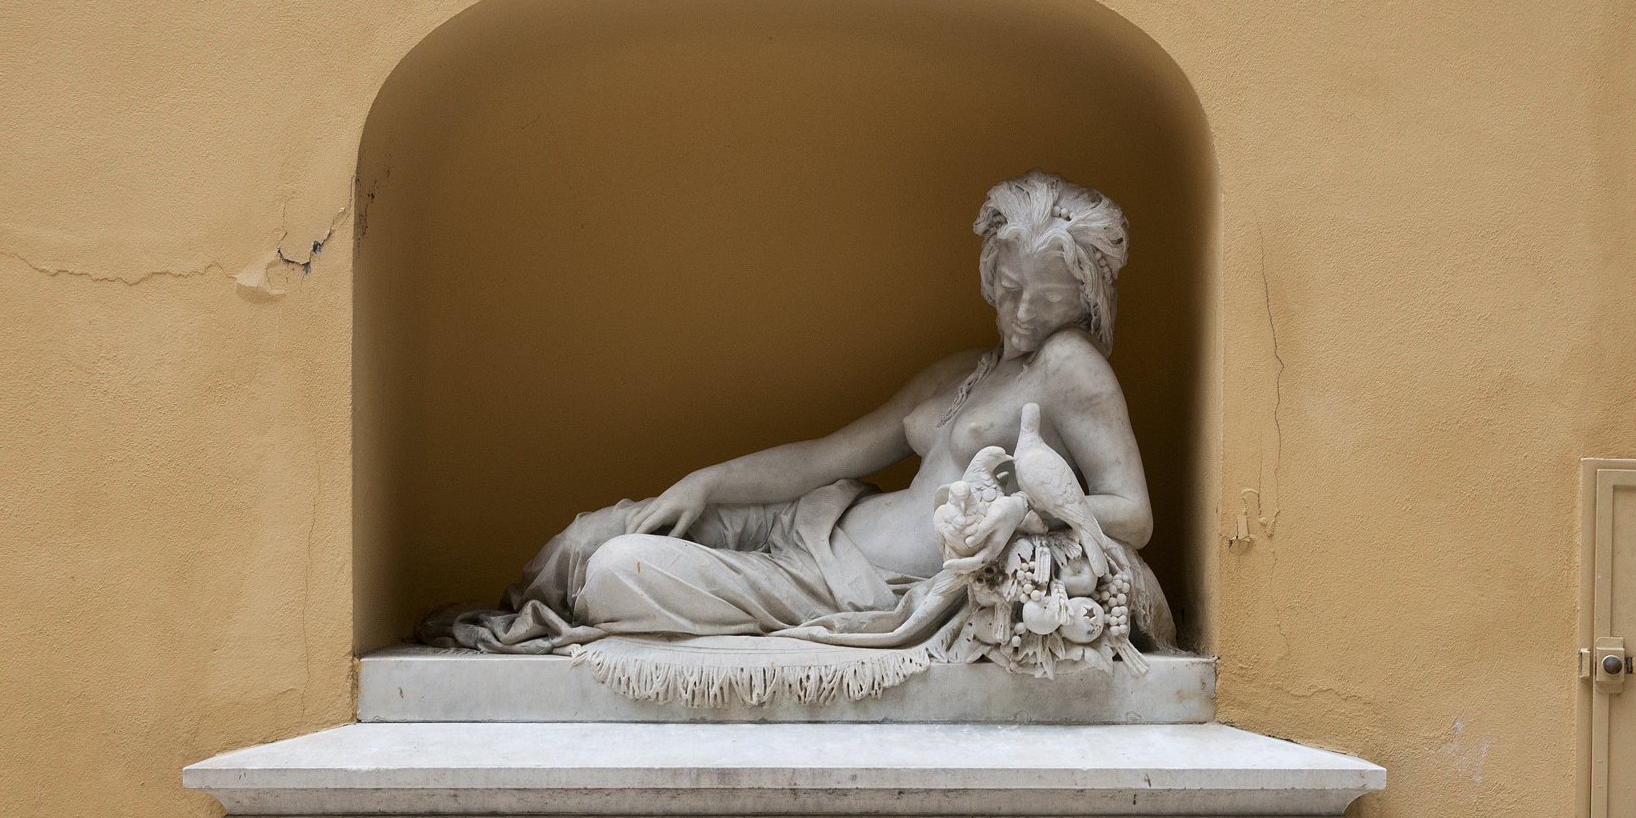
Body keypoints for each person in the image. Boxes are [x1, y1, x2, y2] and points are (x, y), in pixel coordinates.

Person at [420, 170, 1173, 659]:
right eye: (1010, 288)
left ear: (1088, 297)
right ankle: (514, 606)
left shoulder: (1073, 369)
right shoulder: (962, 370)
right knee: (602, 530)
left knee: (621, 568)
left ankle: (561, 607)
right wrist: (707, 482)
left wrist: (1019, 516)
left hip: (853, 588)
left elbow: (1132, 514)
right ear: (988, 272)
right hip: (815, 521)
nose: (1023, 313)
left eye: (1048, 299)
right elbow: (827, 457)